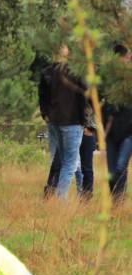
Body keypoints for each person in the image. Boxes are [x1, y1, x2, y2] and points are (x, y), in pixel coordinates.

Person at [38, 45, 87, 200]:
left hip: (54, 121)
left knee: (60, 160)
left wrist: (45, 114)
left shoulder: (48, 72)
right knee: (69, 163)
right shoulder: (76, 72)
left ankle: (78, 191)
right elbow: (84, 97)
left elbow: (43, 96)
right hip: (71, 122)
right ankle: (61, 200)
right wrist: (84, 120)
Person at [104, 44, 132, 202]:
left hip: (129, 132)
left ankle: (119, 200)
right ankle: (115, 201)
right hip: (112, 132)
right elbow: (98, 101)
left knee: (121, 167)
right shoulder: (109, 80)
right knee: (111, 171)